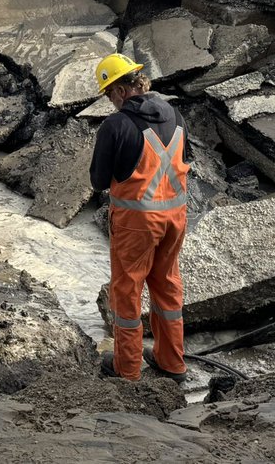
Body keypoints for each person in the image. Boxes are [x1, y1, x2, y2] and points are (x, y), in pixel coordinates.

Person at [90, 52, 189, 384]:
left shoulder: (115, 125)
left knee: (127, 291)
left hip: (136, 222)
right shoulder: (175, 114)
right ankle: (172, 362)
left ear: (120, 90)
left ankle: (127, 368)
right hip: (175, 217)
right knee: (167, 285)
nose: (111, 102)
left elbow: (98, 182)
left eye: (109, 95)